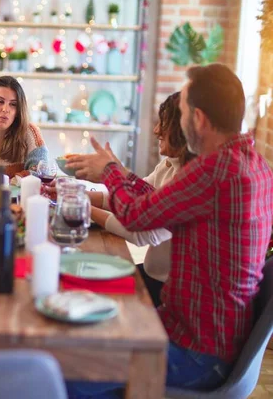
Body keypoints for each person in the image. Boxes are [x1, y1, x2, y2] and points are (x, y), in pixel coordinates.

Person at [66, 63, 273, 397]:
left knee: (65, 369)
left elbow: (136, 217)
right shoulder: (253, 163)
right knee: (88, 328)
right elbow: (162, 204)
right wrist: (116, 172)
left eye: (181, 111)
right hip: (203, 336)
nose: (177, 120)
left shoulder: (214, 170)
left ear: (200, 119)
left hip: (196, 352)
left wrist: (110, 172)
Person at [88, 92, 195, 307]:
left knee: (92, 290)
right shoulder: (169, 164)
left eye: (164, 124)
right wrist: (89, 197)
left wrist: (84, 209)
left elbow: (142, 232)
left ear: (183, 129)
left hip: (165, 291)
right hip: (152, 274)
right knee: (89, 278)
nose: (156, 130)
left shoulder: (189, 178)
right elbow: (140, 197)